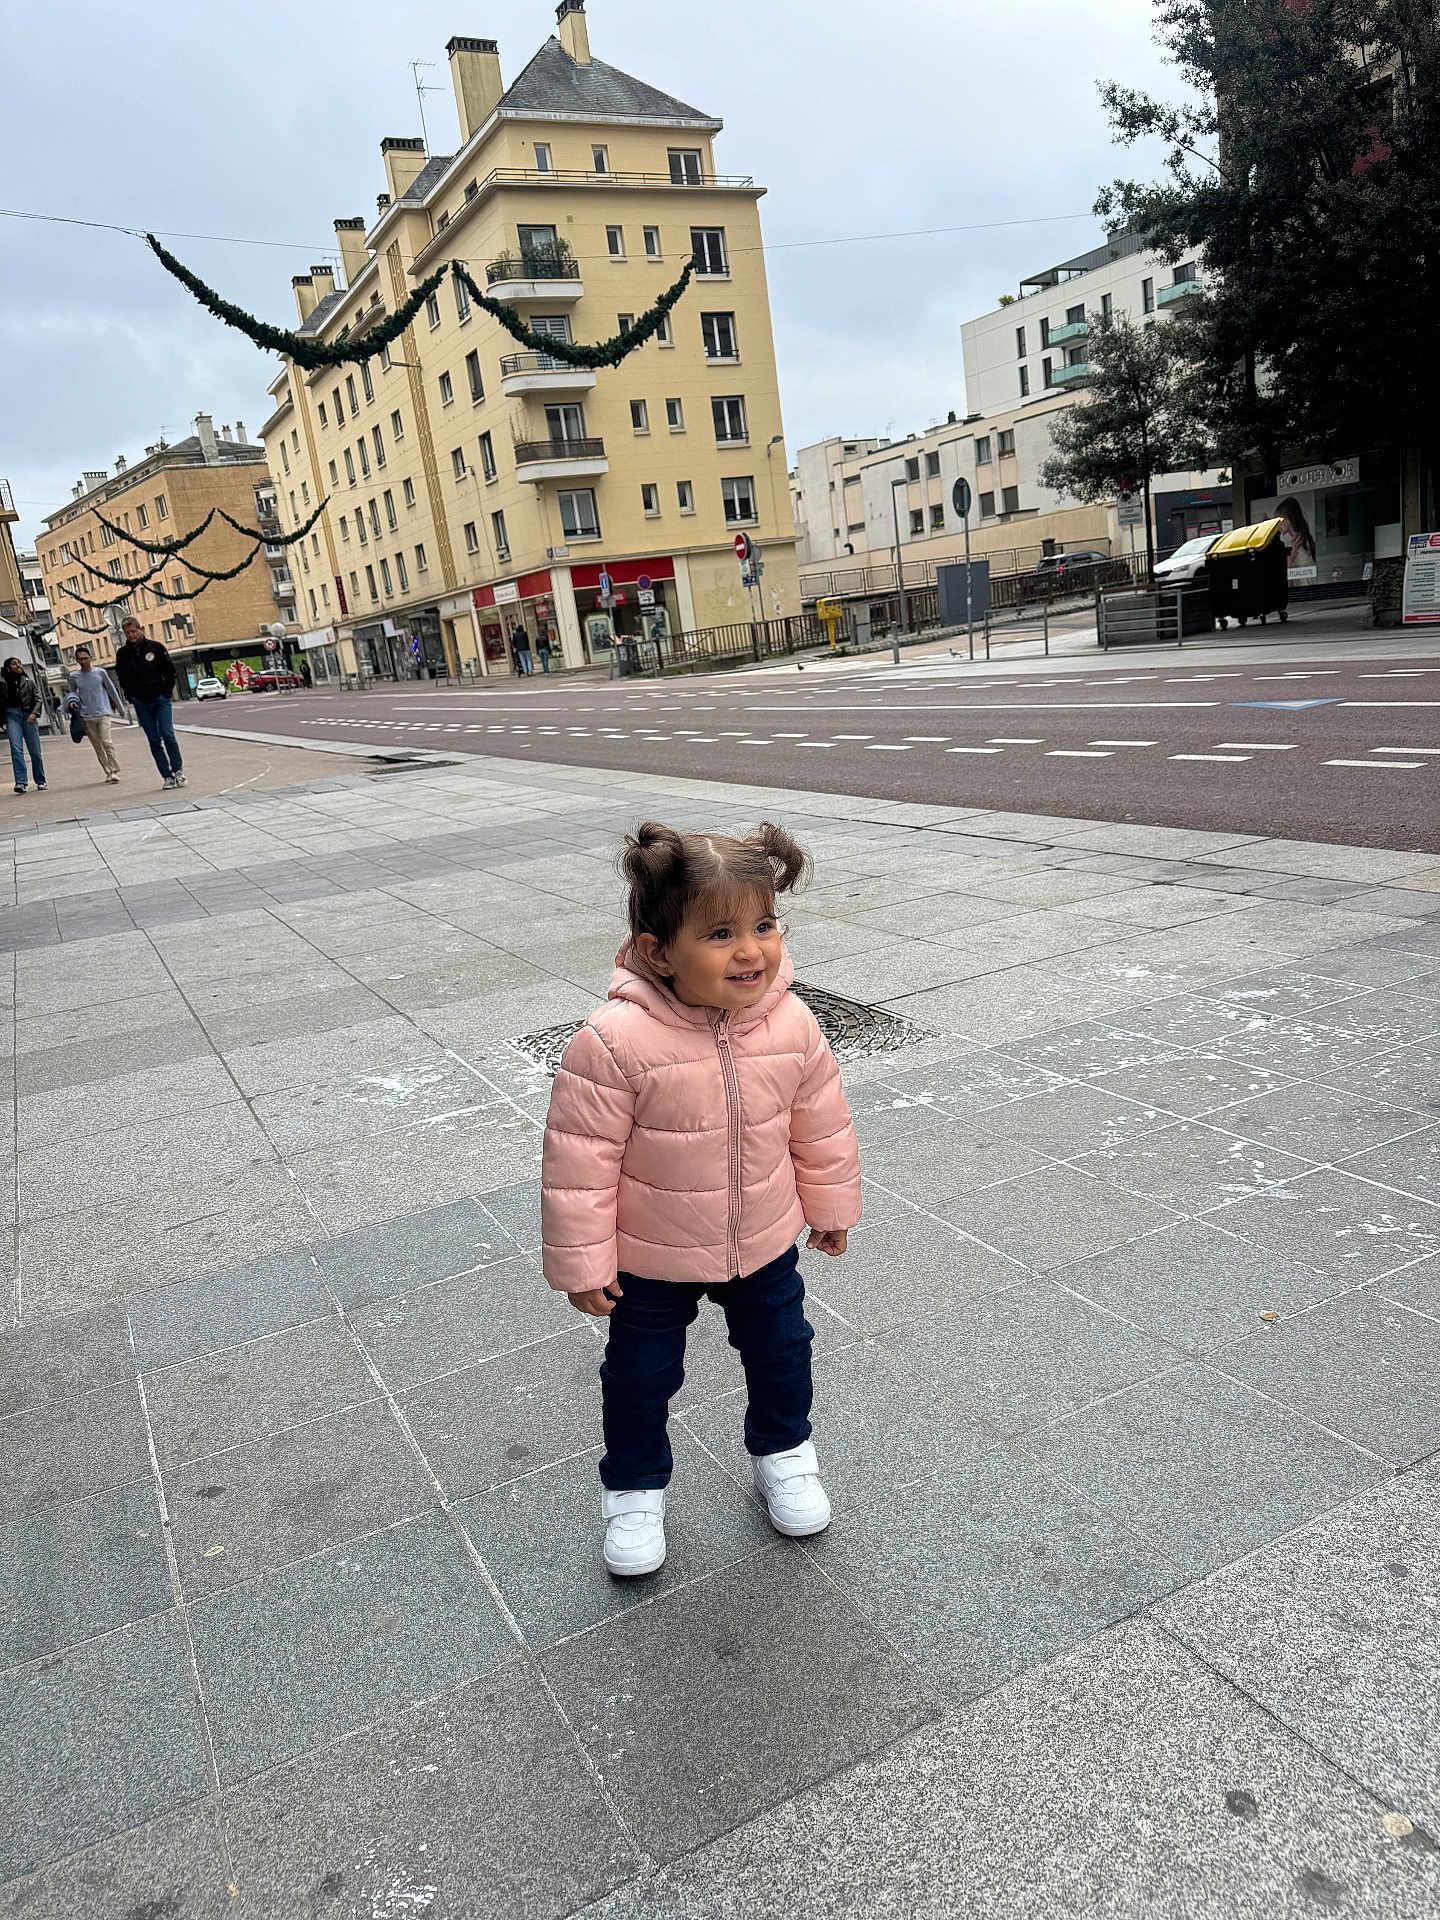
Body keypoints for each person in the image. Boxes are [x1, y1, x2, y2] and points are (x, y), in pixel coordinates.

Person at [541, 821, 861, 1578]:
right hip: (650, 1255)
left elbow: (821, 1122)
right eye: (720, 933)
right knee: (640, 1375)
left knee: (783, 1350)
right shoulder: (614, 1041)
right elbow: (578, 1161)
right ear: (659, 953)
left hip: (764, 1239)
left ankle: (784, 1452)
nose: (751, 949)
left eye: (763, 925)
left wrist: (832, 1205)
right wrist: (583, 1263)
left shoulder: (791, 1021)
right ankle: (634, 1489)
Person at [113, 617, 185, 790]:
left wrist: (166, 692)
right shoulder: (122, 654)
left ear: (140, 629)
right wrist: (131, 696)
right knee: (153, 740)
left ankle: (178, 771)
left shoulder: (156, 648)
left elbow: (170, 672)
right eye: (127, 632)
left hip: (161, 699)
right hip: (141, 702)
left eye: (133, 631)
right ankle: (166, 775)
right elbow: (122, 678)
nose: (131, 635)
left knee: (167, 734)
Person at [65, 646, 126, 784]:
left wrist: (121, 709)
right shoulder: (74, 676)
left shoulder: (100, 672)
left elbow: (111, 690)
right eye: (80, 659)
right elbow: (72, 693)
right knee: (98, 746)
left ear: (90, 658)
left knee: (106, 742)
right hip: (86, 716)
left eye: (85, 658)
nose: (83, 661)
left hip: (103, 712)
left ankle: (115, 770)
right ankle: (108, 772)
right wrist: (72, 702)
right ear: (76, 660)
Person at [1, 658, 46, 794]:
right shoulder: (2, 683)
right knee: (16, 749)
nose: (19, 665)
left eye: (19, 663)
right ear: (8, 668)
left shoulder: (29, 682)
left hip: (28, 716)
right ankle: (21, 782)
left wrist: (34, 713)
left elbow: (38, 699)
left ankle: (40, 780)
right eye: (14, 664)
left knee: (35, 751)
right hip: (11, 716)